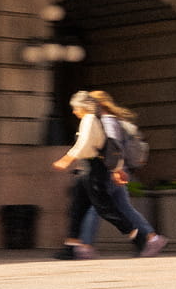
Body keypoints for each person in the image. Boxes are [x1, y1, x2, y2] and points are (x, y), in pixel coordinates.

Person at [50, 90, 166, 258]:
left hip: (96, 169)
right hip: (88, 169)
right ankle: (71, 246)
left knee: (105, 209)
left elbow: (102, 146)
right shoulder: (94, 119)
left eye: (75, 108)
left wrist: (67, 159)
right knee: (78, 208)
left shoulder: (93, 120)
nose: (74, 112)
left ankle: (139, 237)